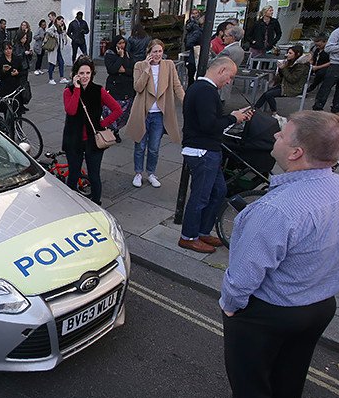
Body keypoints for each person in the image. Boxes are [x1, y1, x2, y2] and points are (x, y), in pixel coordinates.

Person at [220, 111, 339, 398]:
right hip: (322, 306)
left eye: (282, 134)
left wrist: (230, 306)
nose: (275, 135)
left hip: (269, 314)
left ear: (296, 152)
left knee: (251, 388)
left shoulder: (274, 210)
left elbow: (243, 277)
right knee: (290, 377)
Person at [179, 57, 254, 254]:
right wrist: (233, 117)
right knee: (201, 196)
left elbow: (211, 121)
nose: (229, 81)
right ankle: (188, 236)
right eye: (230, 77)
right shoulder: (205, 91)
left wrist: (234, 116)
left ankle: (202, 231)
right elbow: (209, 126)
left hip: (208, 150)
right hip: (202, 152)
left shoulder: (202, 89)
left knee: (218, 191)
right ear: (221, 70)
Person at [62, 58, 123, 205]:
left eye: (88, 73)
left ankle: (96, 203)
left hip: (93, 140)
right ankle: (72, 204)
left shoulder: (98, 90)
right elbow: (71, 111)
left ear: (92, 74)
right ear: (75, 74)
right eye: (81, 73)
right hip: (74, 139)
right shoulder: (68, 91)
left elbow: (117, 109)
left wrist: (102, 124)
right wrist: (77, 89)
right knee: (73, 174)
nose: (85, 76)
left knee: (94, 175)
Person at [127, 39, 186, 188]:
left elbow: (176, 85)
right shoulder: (139, 65)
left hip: (159, 113)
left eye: (160, 51)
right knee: (140, 146)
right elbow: (138, 87)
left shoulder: (169, 65)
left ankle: (151, 173)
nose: (158, 54)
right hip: (143, 113)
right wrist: (147, 69)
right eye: (155, 51)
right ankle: (138, 173)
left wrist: (187, 102)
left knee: (154, 147)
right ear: (148, 53)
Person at [254, 44, 311, 115]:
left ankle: (274, 112)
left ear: (297, 54)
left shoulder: (302, 66)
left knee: (269, 94)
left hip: (293, 87)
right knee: (266, 93)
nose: (287, 55)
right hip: (285, 84)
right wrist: (280, 69)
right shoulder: (291, 62)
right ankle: (255, 109)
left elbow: (292, 79)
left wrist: (283, 68)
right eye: (287, 53)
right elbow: (283, 76)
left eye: (290, 53)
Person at [103, 35, 135, 143]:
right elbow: (112, 69)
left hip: (127, 87)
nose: (122, 45)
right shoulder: (110, 54)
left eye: (123, 43)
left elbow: (132, 70)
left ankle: (116, 129)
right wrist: (120, 58)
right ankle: (112, 130)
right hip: (114, 87)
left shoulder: (128, 54)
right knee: (112, 111)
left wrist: (124, 70)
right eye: (119, 43)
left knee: (124, 112)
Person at [0, 42, 22, 112]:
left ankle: (18, 122)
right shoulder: (0, 60)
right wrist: (3, 71)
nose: (8, 51)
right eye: (6, 49)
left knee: (17, 109)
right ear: (3, 50)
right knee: (7, 111)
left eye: (10, 49)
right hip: (5, 88)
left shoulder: (17, 58)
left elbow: (23, 72)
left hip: (15, 86)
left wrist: (17, 73)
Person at [46, 15, 71, 85]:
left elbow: (62, 37)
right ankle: (50, 79)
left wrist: (63, 33)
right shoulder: (53, 27)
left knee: (61, 63)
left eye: (63, 21)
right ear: (57, 20)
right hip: (53, 48)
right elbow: (48, 31)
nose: (62, 22)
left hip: (58, 49)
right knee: (52, 64)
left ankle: (62, 78)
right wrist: (54, 35)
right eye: (61, 21)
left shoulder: (60, 28)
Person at [184, 8, 203, 86]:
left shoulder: (197, 29)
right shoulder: (196, 30)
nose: (195, 15)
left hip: (193, 53)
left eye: (196, 13)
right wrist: (195, 47)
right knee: (192, 76)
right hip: (193, 54)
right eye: (193, 13)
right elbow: (189, 43)